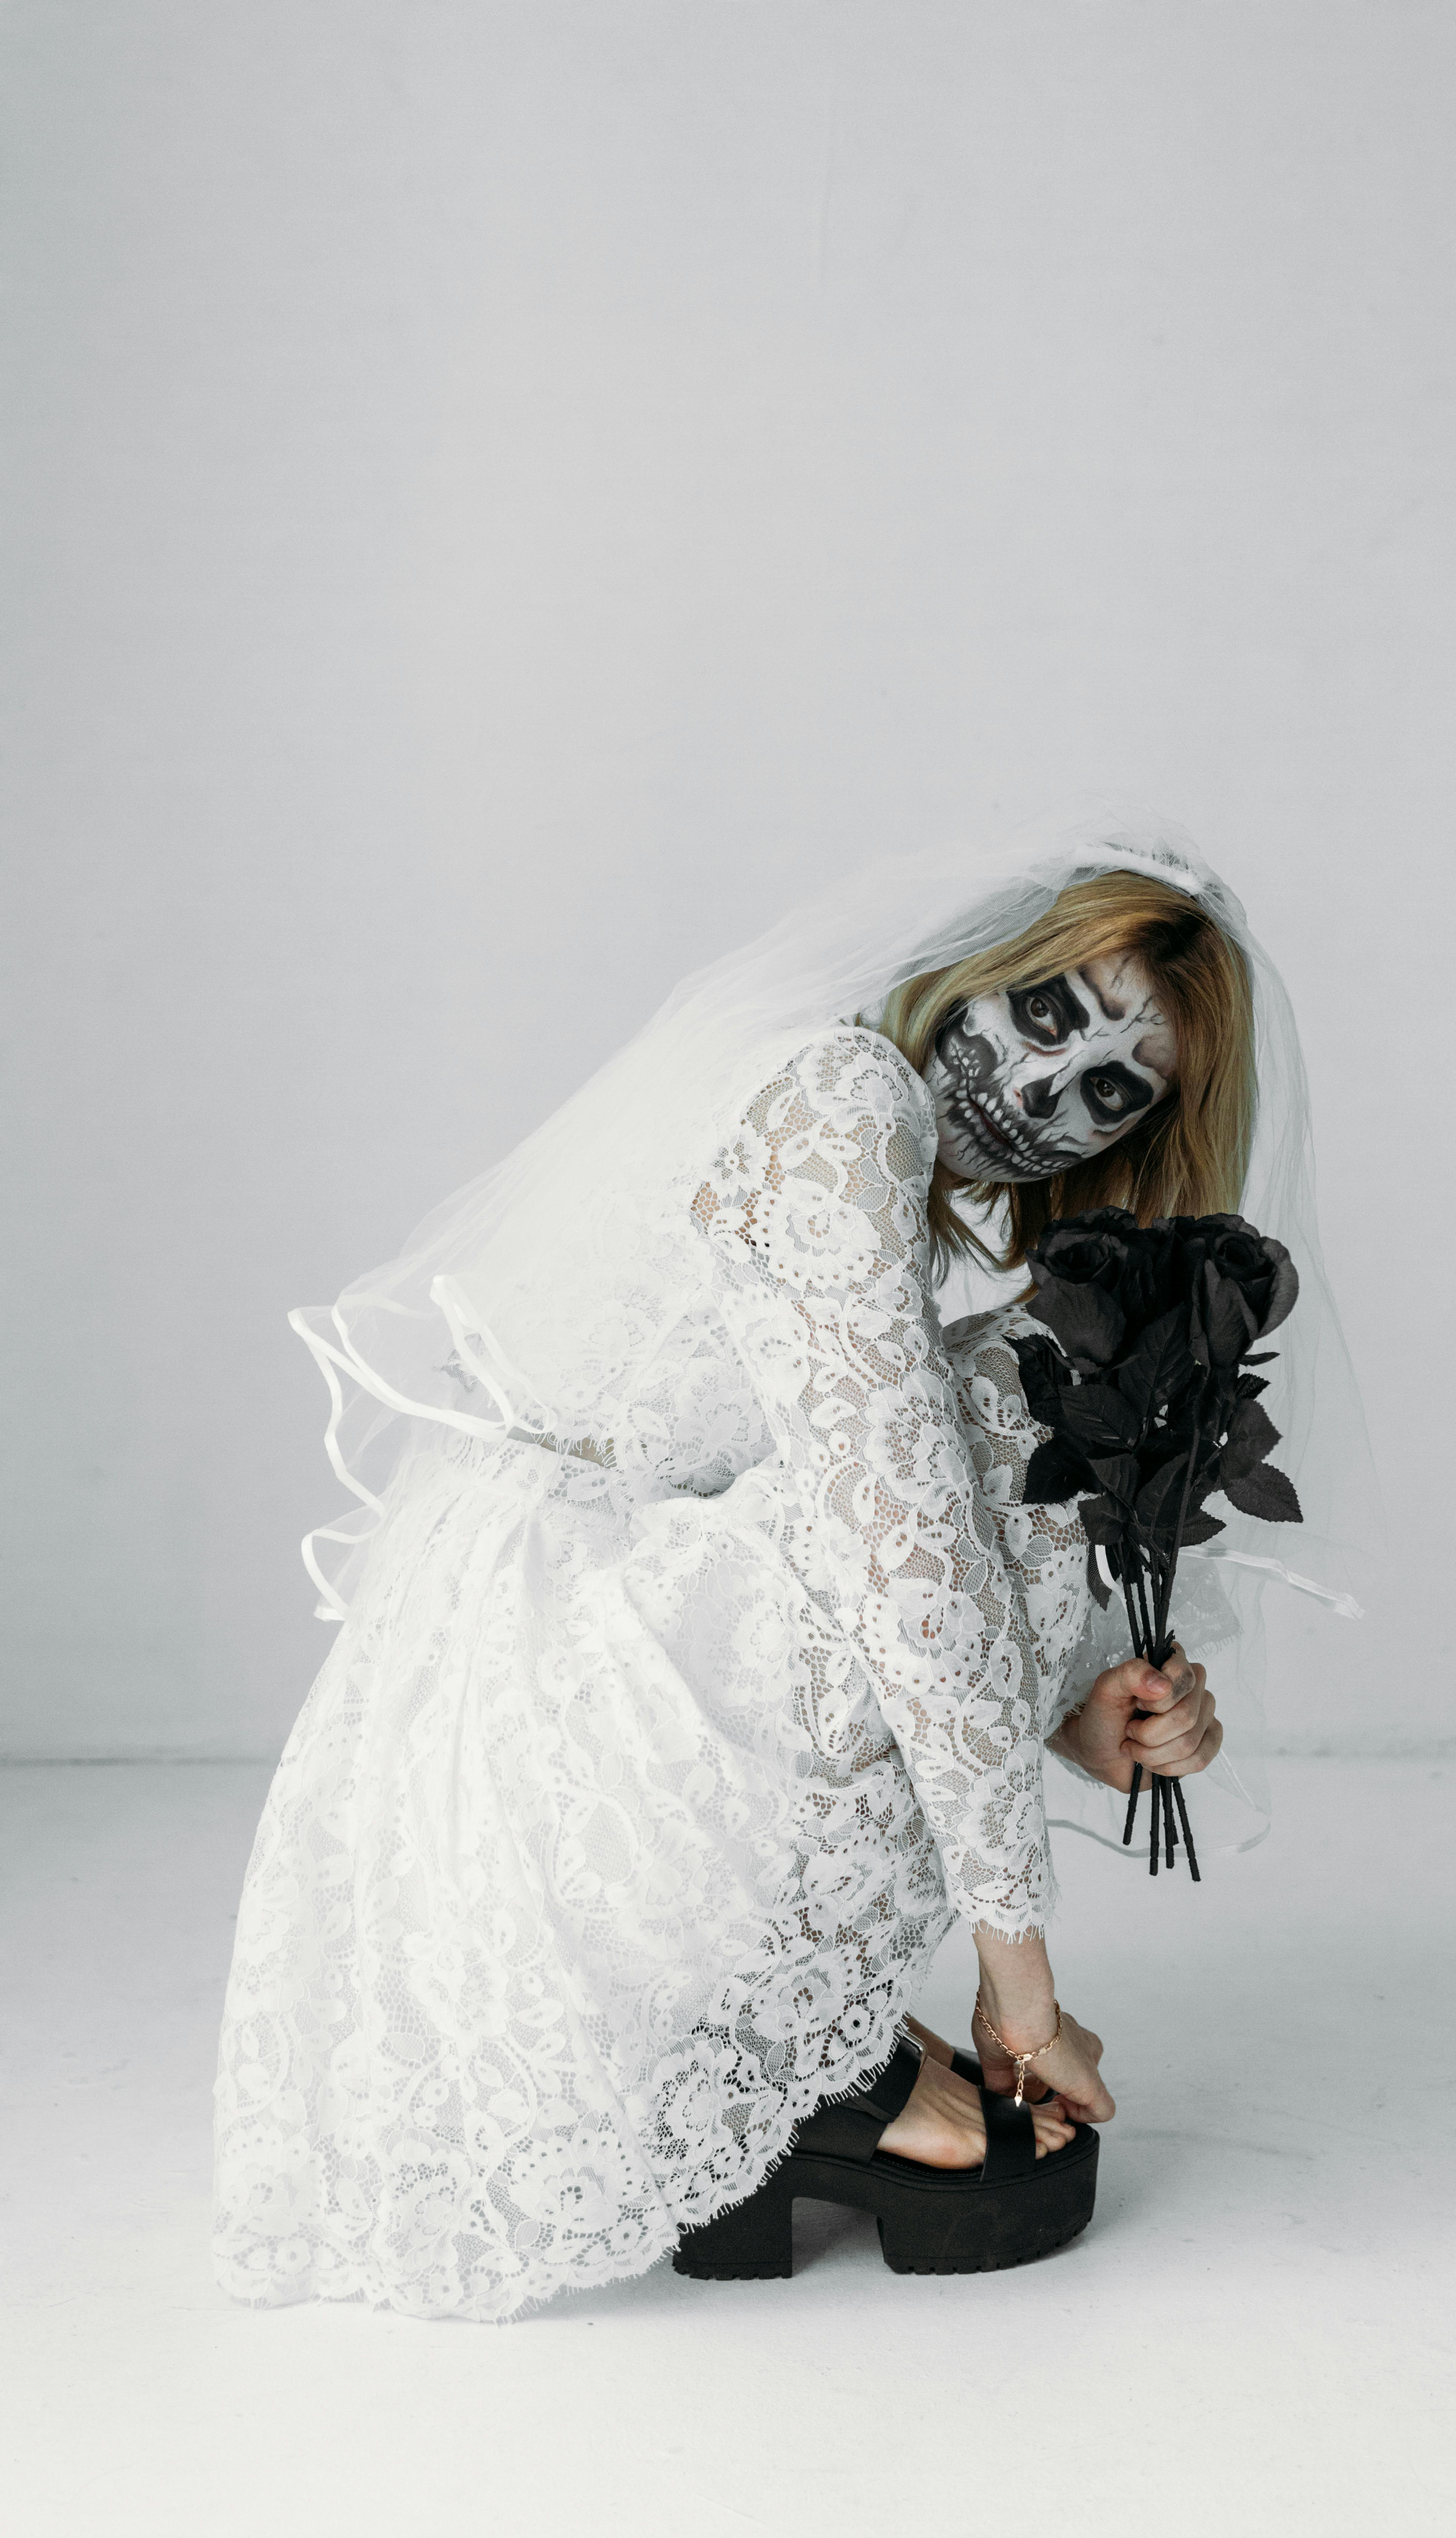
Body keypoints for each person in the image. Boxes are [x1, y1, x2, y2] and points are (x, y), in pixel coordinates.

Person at [211, 815, 1371, 2318]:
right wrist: (1026, 1999)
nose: (1034, 1092)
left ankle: (810, 2044)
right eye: (1042, 1012)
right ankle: (800, 2066)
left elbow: (888, 1521)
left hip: (577, 1639)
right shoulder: (838, 1100)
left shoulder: (854, 1113)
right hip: (545, 1698)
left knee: (1004, 1400)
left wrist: (1077, 1702)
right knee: (976, 1443)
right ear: (978, 968)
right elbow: (907, 1563)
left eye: (1101, 1091)